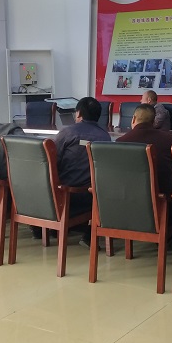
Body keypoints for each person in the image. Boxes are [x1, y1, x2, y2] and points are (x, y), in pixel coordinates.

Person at [46, 96, 111, 244]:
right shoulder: (105, 137)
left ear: (79, 113)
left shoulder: (67, 133)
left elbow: (52, 160)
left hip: (62, 194)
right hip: (91, 196)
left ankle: (40, 229)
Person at [116, 103, 172, 198]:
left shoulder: (121, 142)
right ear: (153, 121)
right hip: (163, 197)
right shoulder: (167, 140)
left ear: (133, 119)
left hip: (130, 197)